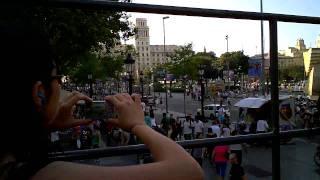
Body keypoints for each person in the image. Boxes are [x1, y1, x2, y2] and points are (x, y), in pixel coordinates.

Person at [0, 23, 204, 180]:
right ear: (39, 93)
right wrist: (138, 125)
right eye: (57, 77)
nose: (60, 85)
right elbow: (189, 172)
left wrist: (45, 123)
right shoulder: (43, 175)